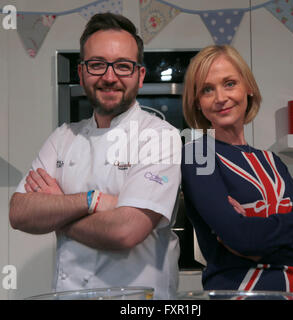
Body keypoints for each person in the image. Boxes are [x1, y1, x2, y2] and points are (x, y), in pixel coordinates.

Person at [9, 13, 181, 300]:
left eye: (123, 66)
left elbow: (126, 231)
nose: (109, 77)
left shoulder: (160, 136)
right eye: (97, 65)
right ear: (81, 73)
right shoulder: (62, 137)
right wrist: (93, 201)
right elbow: (19, 212)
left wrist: (58, 213)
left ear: (139, 76)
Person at [181, 45, 293, 293]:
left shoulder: (272, 161)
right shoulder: (198, 154)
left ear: (248, 88)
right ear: (197, 102)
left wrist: (252, 237)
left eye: (229, 83)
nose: (220, 98)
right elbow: (240, 237)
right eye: (207, 89)